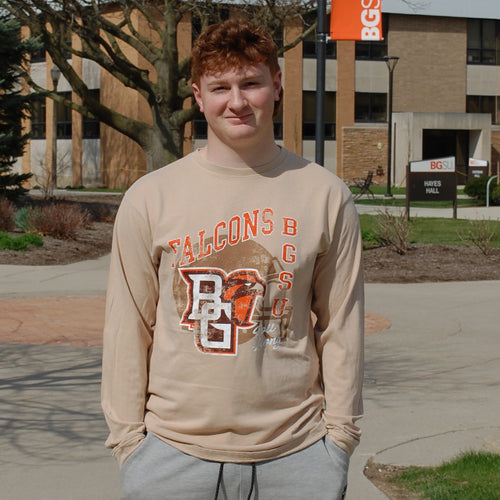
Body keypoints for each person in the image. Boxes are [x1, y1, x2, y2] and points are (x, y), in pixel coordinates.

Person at [101, 17, 364, 500]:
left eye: (251, 83)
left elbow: (341, 326)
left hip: (298, 453)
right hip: (171, 454)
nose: (237, 101)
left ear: (277, 86)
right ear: (198, 97)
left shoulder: (324, 195)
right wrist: (129, 443)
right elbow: (128, 327)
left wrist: (340, 439)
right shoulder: (151, 198)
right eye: (220, 87)